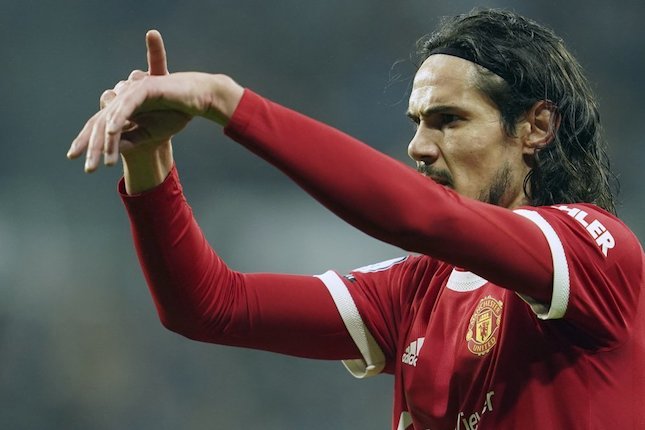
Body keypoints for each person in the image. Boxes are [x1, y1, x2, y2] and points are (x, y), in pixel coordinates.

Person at [68, 9, 644, 429]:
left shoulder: (596, 255)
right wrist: (149, 160)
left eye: (448, 120)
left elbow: (419, 217)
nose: (418, 147)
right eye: (417, 122)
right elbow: (210, 306)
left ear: (536, 128)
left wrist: (228, 103)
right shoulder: (418, 289)